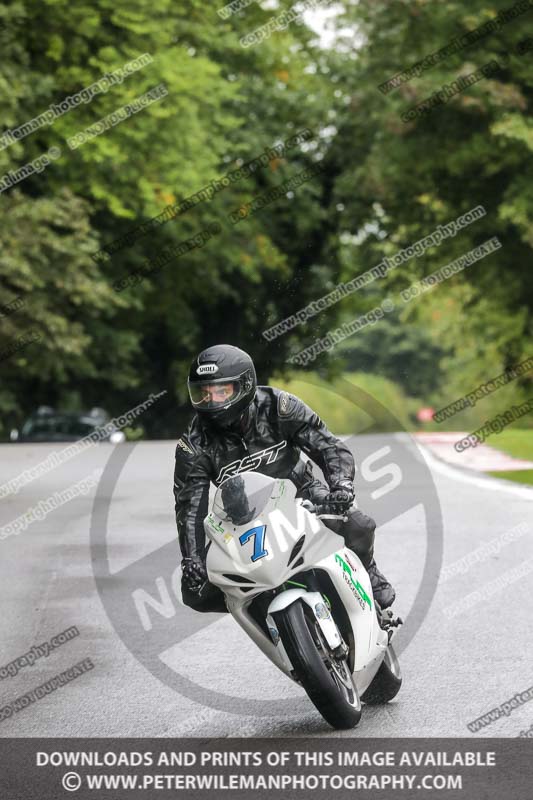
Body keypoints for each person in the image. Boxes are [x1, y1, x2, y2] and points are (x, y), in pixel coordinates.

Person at [174, 344, 395, 613]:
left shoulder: (279, 407)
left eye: (222, 391)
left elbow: (329, 447)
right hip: (242, 521)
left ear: (244, 385)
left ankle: (368, 571)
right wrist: (192, 559)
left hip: (303, 495)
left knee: (359, 525)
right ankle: (263, 612)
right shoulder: (194, 444)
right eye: (204, 394)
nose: (212, 402)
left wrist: (341, 486)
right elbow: (189, 507)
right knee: (194, 593)